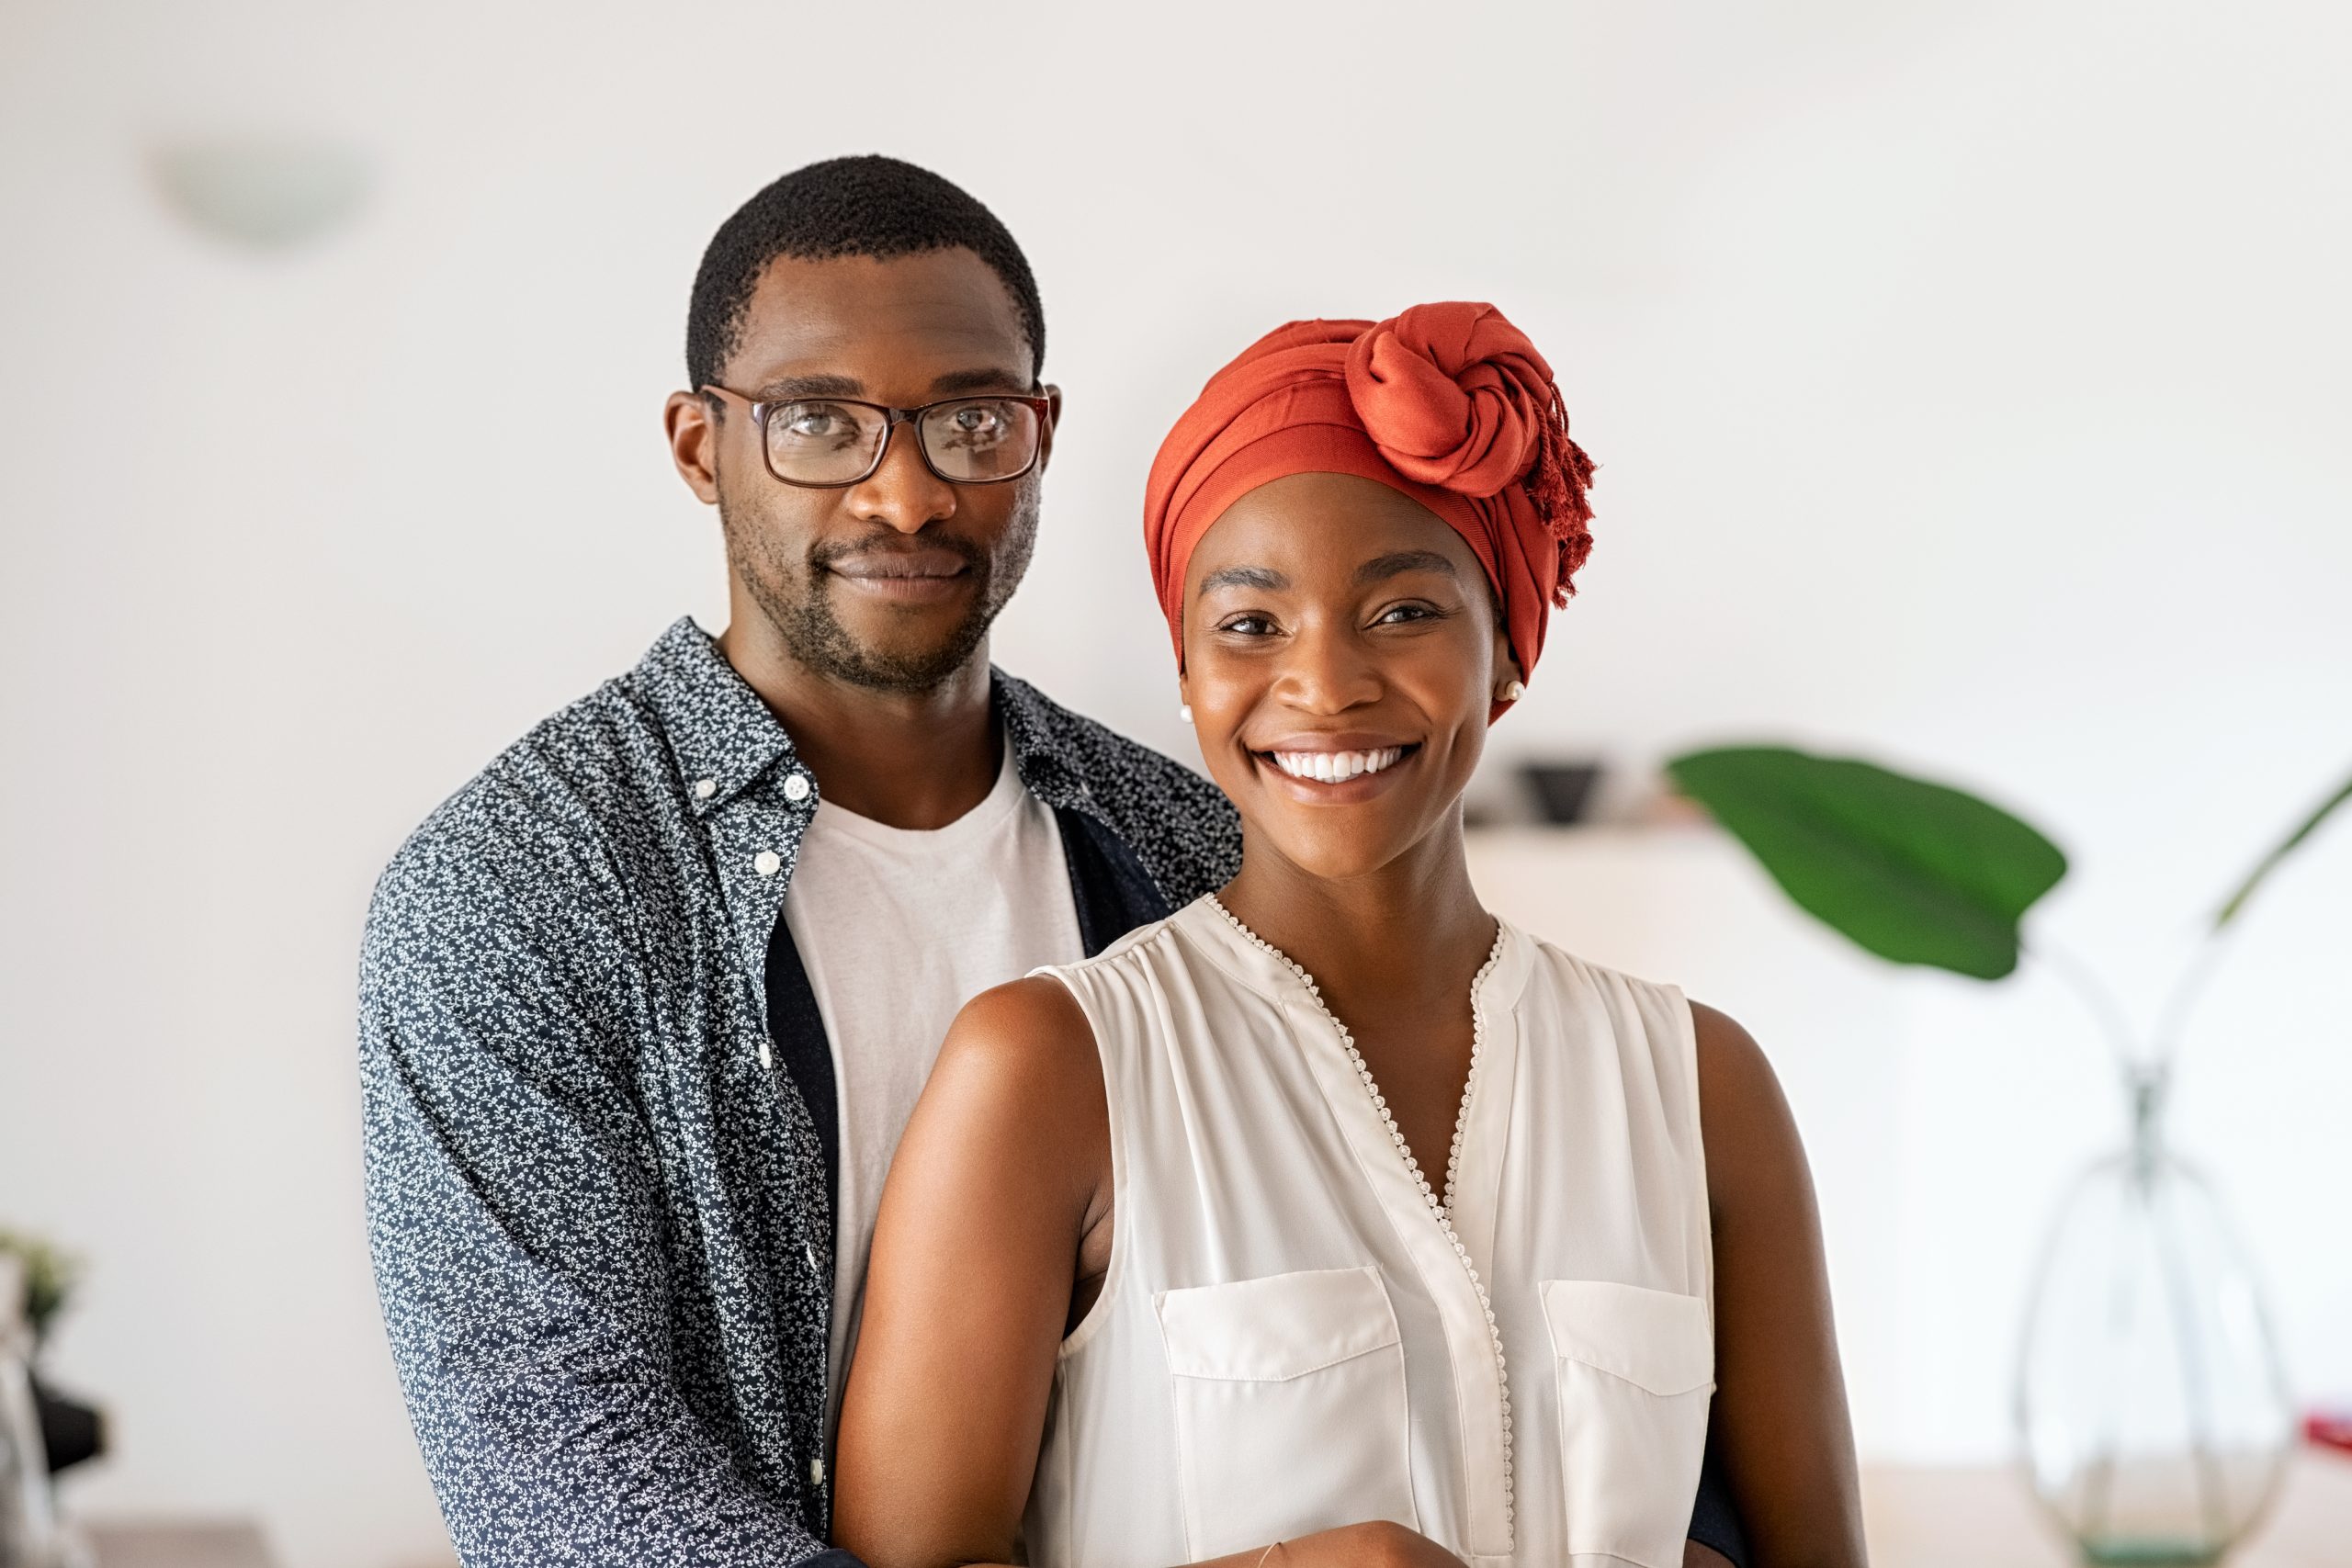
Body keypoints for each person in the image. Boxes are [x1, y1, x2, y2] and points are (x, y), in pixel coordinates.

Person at [832, 306, 1862, 1567]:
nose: (1324, 684)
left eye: (1403, 612)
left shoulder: (1701, 1088)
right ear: (1190, 674)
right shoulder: (1049, 1070)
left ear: (1507, 655)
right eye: (1251, 626)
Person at [356, 156, 1242, 1568]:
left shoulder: (1192, 846)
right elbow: (562, 1490)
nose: (906, 495)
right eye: (820, 422)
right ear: (700, 446)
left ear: (1040, 432)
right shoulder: (513, 891)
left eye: (968, 418)